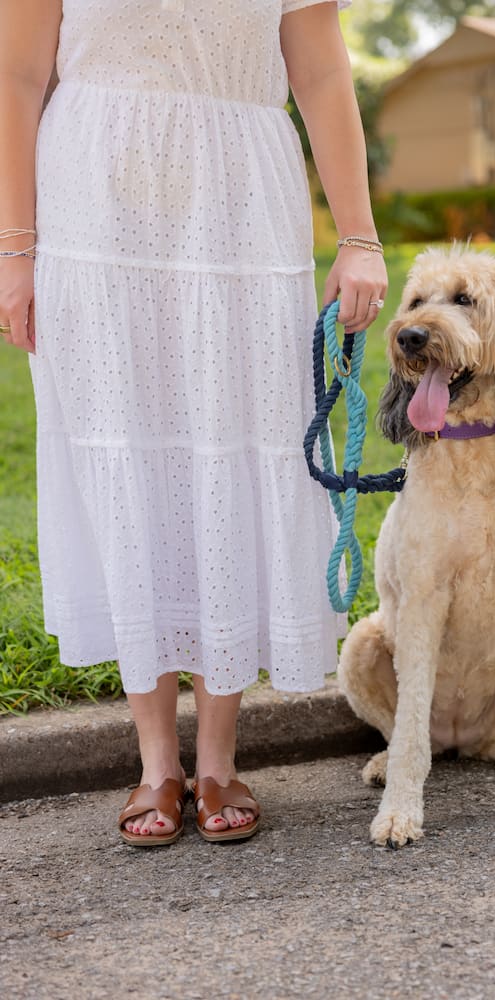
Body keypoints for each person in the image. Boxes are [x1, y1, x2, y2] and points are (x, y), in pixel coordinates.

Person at [0, 0, 387, 845]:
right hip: (91, 212)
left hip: (242, 207)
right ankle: (155, 764)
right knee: (127, 457)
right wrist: (15, 248)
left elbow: (320, 72)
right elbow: (19, 76)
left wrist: (359, 236)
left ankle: (216, 760)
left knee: (232, 453)